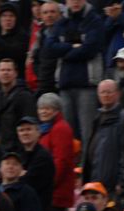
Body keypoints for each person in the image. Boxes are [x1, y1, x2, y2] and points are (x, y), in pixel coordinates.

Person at [42, 0, 103, 150]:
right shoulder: (61, 22)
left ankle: (87, 164)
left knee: (87, 133)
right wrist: (72, 46)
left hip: (87, 84)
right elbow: (49, 48)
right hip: (65, 84)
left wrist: (64, 54)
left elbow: (90, 49)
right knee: (67, 134)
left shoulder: (94, 20)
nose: (75, 2)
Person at [83, 79, 124, 194]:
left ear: (118, 94)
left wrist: (121, 180)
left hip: (112, 184)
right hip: (95, 180)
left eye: (109, 92)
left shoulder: (123, 118)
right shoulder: (97, 118)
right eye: (102, 92)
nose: (105, 95)